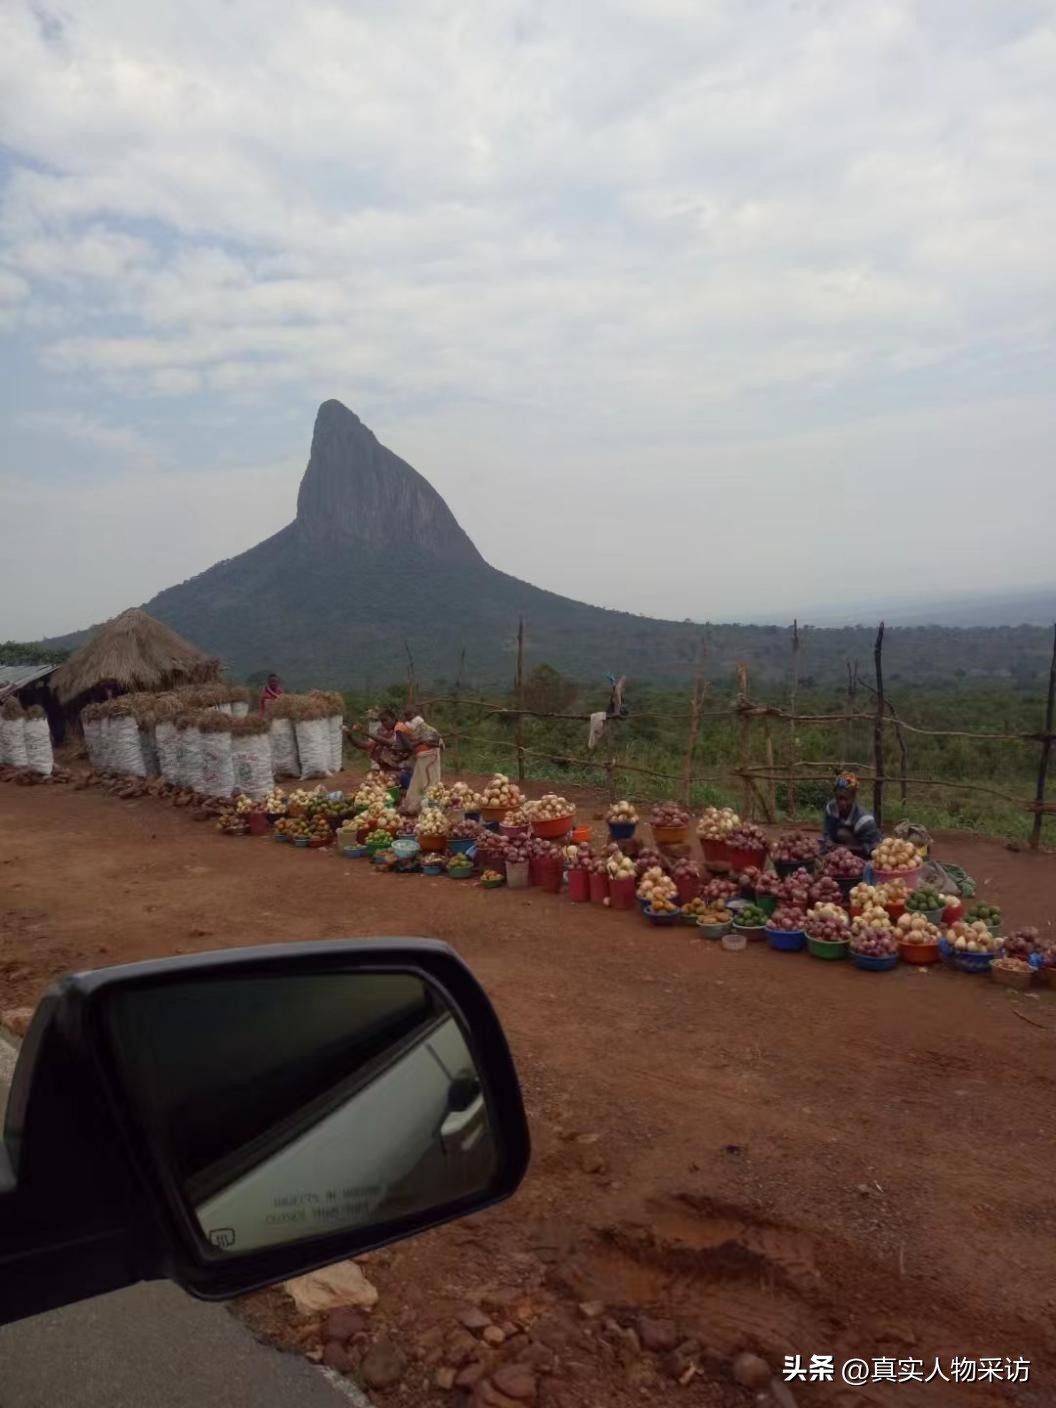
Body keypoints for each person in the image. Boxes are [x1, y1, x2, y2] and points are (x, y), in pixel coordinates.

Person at [821, 771, 882, 858]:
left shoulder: (865, 821)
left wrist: (842, 848)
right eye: (839, 798)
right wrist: (828, 841)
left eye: (846, 799)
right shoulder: (831, 809)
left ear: (853, 797)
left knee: (842, 833)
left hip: (865, 851)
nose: (842, 803)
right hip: (841, 850)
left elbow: (872, 848)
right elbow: (827, 832)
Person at [394, 708, 444, 814]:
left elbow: (410, 746)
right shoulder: (403, 728)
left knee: (430, 783)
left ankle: (431, 808)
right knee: (419, 782)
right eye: (406, 715)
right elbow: (409, 746)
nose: (408, 717)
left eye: (410, 715)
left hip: (430, 755)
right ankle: (415, 806)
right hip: (423, 755)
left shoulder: (406, 727)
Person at [344, 709, 405, 777]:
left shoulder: (400, 730)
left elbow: (389, 743)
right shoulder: (379, 744)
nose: (383, 724)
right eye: (382, 721)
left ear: (394, 718)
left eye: (385, 720)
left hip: (402, 772)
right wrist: (349, 736)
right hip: (387, 774)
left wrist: (366, 732)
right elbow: (360, 745)